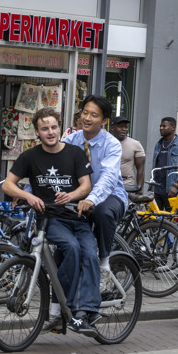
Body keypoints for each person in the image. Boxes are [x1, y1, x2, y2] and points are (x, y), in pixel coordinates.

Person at [1, 106, 99, 338]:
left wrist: (72, 196)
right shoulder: (30, 156)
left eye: (54, 127)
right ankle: (66, 307)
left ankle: (86, 311)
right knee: (71, 248)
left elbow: (86, 186)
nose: (50, 132)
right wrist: (29, 195)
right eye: (44, 128)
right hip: (51, 219)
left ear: (61, 128)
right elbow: (7, 185)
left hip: (77, 216)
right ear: (37, 132)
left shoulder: (75, 153)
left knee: (90, 253)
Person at [62, 95, 126, 272]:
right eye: (85, 113)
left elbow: (108, 177)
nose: (87, 118)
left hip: (110, 194)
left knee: (102, 212)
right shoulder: (69, 140)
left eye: (94, 115)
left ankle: (104, 261)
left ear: (104, 121)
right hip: (78, 195)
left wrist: (92, 198)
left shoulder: (112, 144)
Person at [151, 115, 178, 211]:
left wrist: (176, 186)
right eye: (160, 126)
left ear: (173, 127)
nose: (161, 128)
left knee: (171, 220)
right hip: (157, 188)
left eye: (164, 126)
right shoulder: (158, 144)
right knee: (156, 218)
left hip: (171, 189)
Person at [111, 116, 145, 195]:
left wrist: (139, 190)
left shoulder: (135, 145)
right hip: (108, 184)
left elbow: (140, 169)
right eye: (120, 126)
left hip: (127, 186)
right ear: (112, 128)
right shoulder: (105, 143)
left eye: (125, 127)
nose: (124, 129)